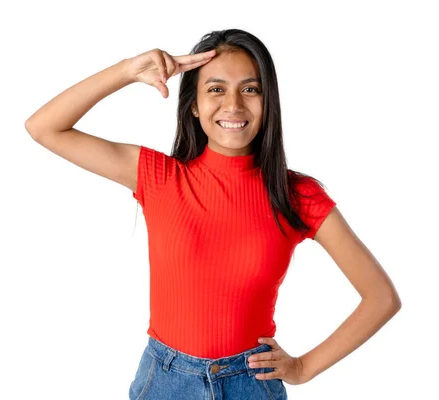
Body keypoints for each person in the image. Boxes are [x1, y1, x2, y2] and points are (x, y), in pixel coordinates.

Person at [24, 29, 401, 400]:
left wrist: (303, 367)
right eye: (216, 89)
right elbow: (43, 127)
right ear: (193, 103)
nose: (234, 105)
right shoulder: (160, 177)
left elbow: (381, 297)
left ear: (268, 102)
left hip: (251, 384)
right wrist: (127, 70)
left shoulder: (296, 195)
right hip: (165, 383)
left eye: (250, 89)